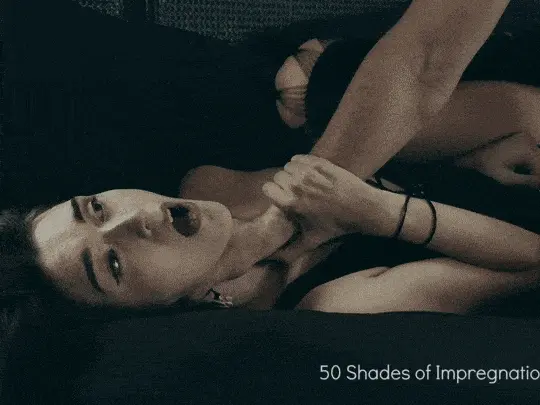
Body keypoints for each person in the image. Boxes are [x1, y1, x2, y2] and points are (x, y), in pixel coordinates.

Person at [7, 0, 540, 317]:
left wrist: (463, 164)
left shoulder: (209, 184)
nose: (132, 221)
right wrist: (377, 212)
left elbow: (435, 69)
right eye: (113, 265)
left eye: (96, 207)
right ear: (160, 312)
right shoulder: (331, 305)